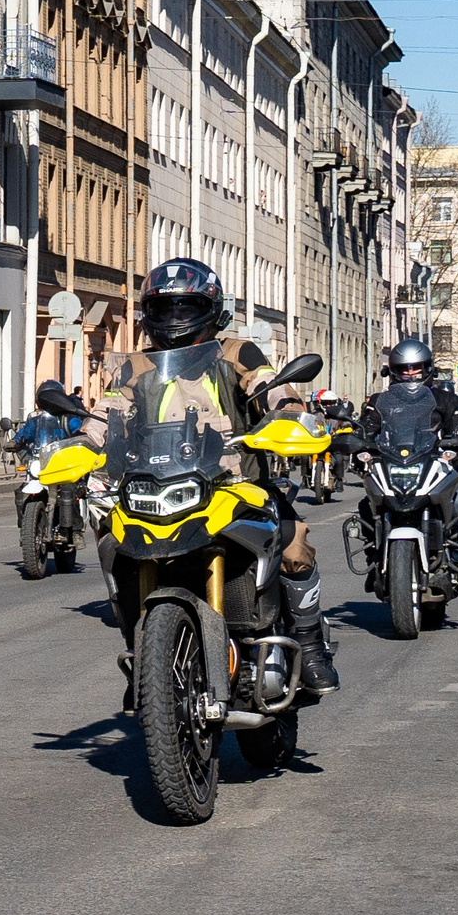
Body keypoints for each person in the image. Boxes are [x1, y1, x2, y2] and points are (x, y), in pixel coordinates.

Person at [90, 258, 337, 695]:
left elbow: (270, 386)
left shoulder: (235, 352)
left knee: (293, 541)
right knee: (112, 540)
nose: (174, 320)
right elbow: (107, 411)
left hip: (235, 484)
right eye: (164, 310)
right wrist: (82, 444)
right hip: (158, 484)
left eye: (184, 308)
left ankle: (310, 645)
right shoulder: (137, 367)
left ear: (209, 309)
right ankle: (143, 653)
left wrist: (290, 414)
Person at [360, 337, 458, 585]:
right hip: (392, 464)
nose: (411, 373)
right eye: (404, 369)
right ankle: (374, 559)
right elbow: (365, 430)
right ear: (393, 371)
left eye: (416, 367)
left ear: (427, 369)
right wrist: (356, 444)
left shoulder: (445, 400)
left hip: (433, 465)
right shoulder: (379, 401)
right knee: (366, 505)